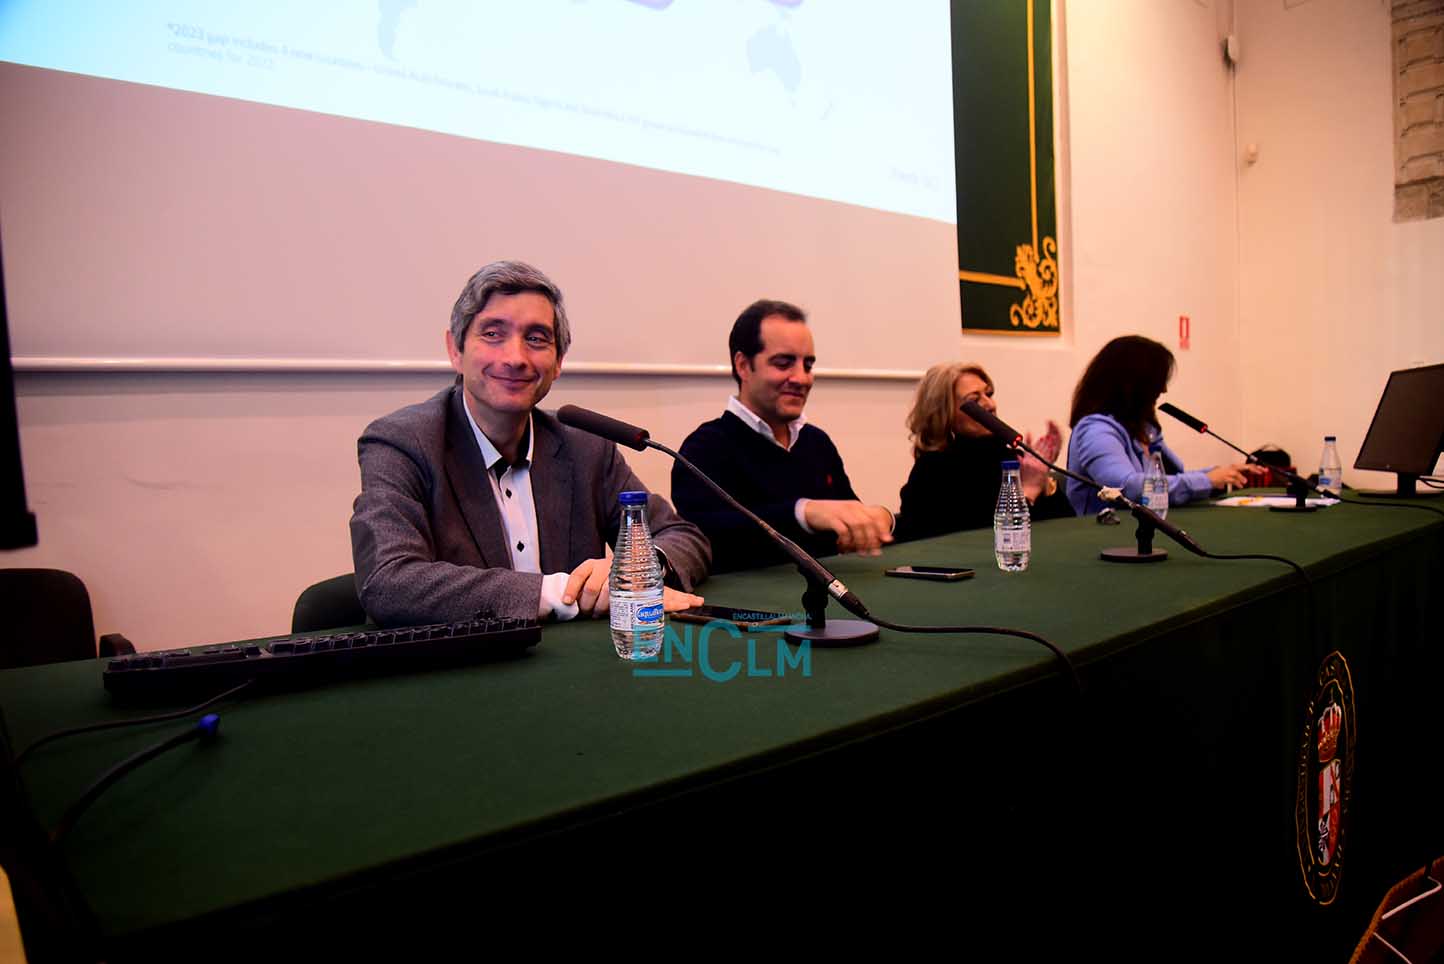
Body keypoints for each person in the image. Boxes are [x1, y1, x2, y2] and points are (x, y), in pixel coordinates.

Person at [350, 260, 708, 627]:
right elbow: (388, 581)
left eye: (536, 339)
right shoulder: (403, 443)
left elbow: (681, 536)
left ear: (558, 362)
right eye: (493, 334)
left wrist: (638, 568)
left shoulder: (586, 447)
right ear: (456, 350)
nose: (515, 358)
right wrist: (561, 593)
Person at [671, 299, 894, 573]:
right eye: (784, 363)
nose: (801, 378)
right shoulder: (704, 448)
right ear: (743, 365)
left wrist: (878, 518)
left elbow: (846, 520)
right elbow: (705, 536)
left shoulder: (817, 442)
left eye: (808, 365)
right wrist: (802, 512)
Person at [1065, 335, 1253, 516]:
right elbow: (1127, 488)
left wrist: (1220, 474)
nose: (1163, 390)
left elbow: (1169, 479)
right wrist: (1206, 480)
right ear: (1132, 384)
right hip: (1105, 532)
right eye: (1157, 381)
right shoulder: (1096, 431)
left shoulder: (1144, 429)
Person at [895, 362, 1072, 541]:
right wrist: (1027, 491)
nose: (990, 404)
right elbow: (983, 542)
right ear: (945, 413)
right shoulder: (932, 471)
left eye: (988, 394)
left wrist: (1045, 484)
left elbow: (1068, 527)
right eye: (974, 400)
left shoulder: (1008, 457)